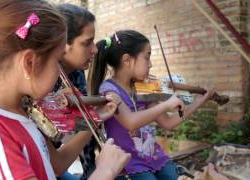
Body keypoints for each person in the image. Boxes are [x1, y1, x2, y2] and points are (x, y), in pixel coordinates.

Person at [0, 1, 130, 179]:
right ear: (29, 63)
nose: (59, 71)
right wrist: (105, 171)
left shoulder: (21, 110)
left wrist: (93, 119)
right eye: (57, 60)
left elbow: (55, 165)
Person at [89, 30, 214, 180]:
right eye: (147, 57)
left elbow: (168, 122)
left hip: (152, 156)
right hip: (127, 161)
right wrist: (166, 105)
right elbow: (130, 122)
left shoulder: (143, 88)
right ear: (127, 60)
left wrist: (199, 101)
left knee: (171, 175)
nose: (151, 64)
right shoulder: (109, 91)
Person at [54, 4, 99, 179]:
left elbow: (80, 119)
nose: (95, 49)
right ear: (63, 45)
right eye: (87, 43)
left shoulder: (77, 70)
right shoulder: (42, 83)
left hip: (55, 162)